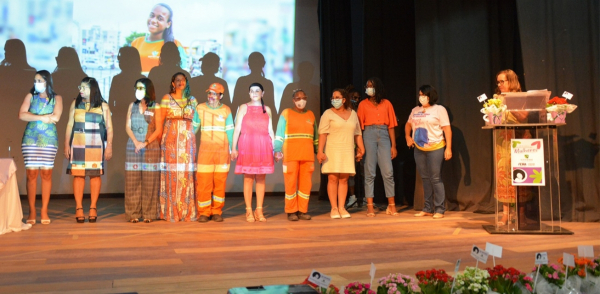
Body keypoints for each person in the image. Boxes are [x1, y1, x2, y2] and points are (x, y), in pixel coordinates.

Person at [65, 77, 113, 223]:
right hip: (78, 143)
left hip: (96, 145)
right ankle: (79, 207)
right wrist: (66, 144)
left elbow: (110, 127)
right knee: (78, 175)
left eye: (84, 87)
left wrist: (109, 145)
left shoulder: (103, 106)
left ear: (92, 89)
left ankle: (93, 207)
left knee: (95, 175)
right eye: (80, 87)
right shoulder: (75, 104)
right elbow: (69, 125)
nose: (80, 90)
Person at [19, 70, 63, 225]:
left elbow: (56, 117)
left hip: (49, 140)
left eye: (39, 80)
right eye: (35, 80)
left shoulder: (56, 98)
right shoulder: (30, 96)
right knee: (31, 175)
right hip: (30, 140)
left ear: (47, 81)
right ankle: (32, 210)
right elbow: (22, 115)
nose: (36, 83)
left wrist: (35, 116)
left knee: (46, 175)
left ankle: (44, 210)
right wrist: (43, 117)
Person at [154, 72, 199, 222]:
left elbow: (197, 121)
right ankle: (170, 211)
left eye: (183, 80)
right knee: (172, 175)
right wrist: (162, 142)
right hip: (170, 142)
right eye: (177, 80)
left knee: (186, 174)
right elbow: (159, 123)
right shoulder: (167, 98)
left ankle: (187, 211)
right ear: (173, 83)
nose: (180, 82)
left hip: (187, 143)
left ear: (186, 82)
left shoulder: (192, 100)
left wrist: (190, 135)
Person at [406, 85, 452, 219]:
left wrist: (448, 148)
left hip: (436, 147)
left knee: (435, 178)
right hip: (419, 149)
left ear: (430, 96)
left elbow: (447, 129)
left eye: (423, 95)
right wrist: (408, 137)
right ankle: (427, 208)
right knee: (425, 178)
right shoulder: (415, 110)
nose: (421, 97)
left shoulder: (439, 109)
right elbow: (408, 124)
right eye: (420, 95)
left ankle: (439, 209)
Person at [317, 89, 365, 219]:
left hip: (347, 150)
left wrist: (361, 148)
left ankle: (342, 207)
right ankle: (334, 208)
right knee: (333, 178)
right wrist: (320, 151)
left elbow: (358, 133)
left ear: (344, 99)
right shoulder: (327, 114)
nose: (334, 99)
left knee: (344, 179)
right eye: (333, 97)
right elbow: (323, 133)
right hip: (332, 149)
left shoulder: (353, 114)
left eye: (337, 97)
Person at [231, 82, 275, 222]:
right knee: (248, 178)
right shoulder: (244, 107)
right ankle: (249, 210)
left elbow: (270, 130)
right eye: (252, 91)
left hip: (263, 146)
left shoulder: (267, 109)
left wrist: (276, 149)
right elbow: (237, 128)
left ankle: (259, 210)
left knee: (261, 179)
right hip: (247, 146)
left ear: (263, 93)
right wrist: (233, 148)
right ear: (249, 93)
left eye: (257, 91)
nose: (254, 93)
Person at [493, 69, 532, 225]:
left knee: (520, 174)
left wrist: (508, 102)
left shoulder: (521, 97)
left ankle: (521, 214)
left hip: (520, 138)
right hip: (503, 139)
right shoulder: (496, 98)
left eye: (503, 81)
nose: (500, 84)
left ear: (511, 81)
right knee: (504, 175)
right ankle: (506, 213)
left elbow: (523, 117)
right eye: (498, 82)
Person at [357, 77, 399, 217]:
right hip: (368, 134)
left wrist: (394, 146)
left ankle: (391, 206)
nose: (369, 88)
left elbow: (392, 126)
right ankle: (369, 206)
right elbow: (359, 129)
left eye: (372, 86)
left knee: (388, 172)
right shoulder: (363, 104)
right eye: (367, 86)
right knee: (370, 172)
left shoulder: (387, 104)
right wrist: (360, 146)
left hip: (384, 135)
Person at [274, 89, 318, 221]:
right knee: (290, 183)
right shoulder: (286, 113)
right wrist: (277, 149)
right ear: (293, 100)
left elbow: (315, 137)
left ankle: (302, 210)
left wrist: (318, 151)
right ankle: (291, 211)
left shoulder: (311, 115)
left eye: (303, 98)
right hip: (290, 155)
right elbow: (279, 134)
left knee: (306, 185)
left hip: (307, 155)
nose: (301, 101)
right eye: (298, 98)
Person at [195, 83, 234, 223]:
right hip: (205, 153)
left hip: (222, 153)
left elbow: (231, 131)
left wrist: (234, 149)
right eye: (209, 93)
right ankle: (204, 212)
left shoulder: (226, 110)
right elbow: (193, 130)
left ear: (221, 96)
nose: (211, 96)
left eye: (214, 93)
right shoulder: (200, 108)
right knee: (204, 184)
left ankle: (217, 211)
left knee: (220, 184)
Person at [124, 78, 160, 223]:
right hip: (133, 146)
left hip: (150, 147)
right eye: (136, 88)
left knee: (150, 182)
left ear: (148, 90)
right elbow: (127, 126)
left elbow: (158, 129)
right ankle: (133, 213)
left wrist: (145, 142)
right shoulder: (132, 106)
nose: (137, 91)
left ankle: (149, 214)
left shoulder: (156, 107)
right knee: (132, 181)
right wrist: (135, 142)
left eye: (141, 88)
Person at [131, 3, 187, 74]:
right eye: (152, 16)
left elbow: (182, 77)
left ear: (168, 24)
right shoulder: (136, 43)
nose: (153, 20)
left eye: (160, 18)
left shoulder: (175, 45)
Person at [345, 85, 362, 208]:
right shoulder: (344, 111)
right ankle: (352, 197)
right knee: (350, 173)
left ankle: (365, 198)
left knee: (362, 172)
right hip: (346, 145)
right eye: (353, 97)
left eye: (358, 98)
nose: (356, 99)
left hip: (359, 144)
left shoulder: (359, 110)